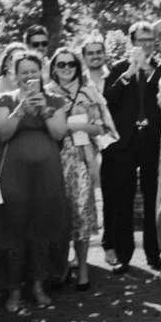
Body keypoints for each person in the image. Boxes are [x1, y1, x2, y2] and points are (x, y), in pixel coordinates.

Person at [0, 52, 71, 313]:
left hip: (47, 170)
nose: (28, 77)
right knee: (13, 224)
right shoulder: (3, 99)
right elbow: (2, 133)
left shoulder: (55, 100)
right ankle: (13, 289)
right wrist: (20, 108)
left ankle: (38, 285)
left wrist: (44, 110)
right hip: (15, 170)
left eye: (33, 71)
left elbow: (59, 132)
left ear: (42, 73)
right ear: (15, 75)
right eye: (23, 72)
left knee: (42, 224)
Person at [46, 47, 117, 291]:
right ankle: (62, 265)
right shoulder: (45, 93)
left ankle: (83, 268)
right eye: (61, 64)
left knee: (80, 213)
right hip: (51, 158)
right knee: (56, 213)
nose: (66, 69)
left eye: (70, 64)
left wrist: (82, 126)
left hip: (80, 157)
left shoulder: (89, 92)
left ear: (78, 67)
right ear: (53, 68)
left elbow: (103, 129)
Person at [103, 21, 161, 273]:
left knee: (153, 199)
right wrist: (129, 73)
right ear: (132, 42)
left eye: (150, 40)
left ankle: (153, 253)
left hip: (151, 140)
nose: (146, 44)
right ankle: (124, 255)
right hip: (125, 143)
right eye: (141, 40)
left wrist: (150, 72)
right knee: (123, 199)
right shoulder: (118, 68)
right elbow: (108, 101)